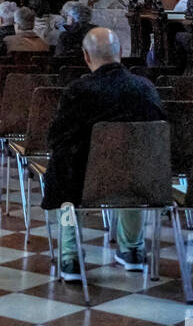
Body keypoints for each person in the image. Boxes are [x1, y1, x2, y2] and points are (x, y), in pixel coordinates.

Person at [42, 27, 165, 281]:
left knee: (63, 167)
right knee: (134, 163)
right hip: (143, 180)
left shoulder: (79, 91)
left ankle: (70, 256)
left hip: (83, 181)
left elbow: (56, 137)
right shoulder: (145, 88)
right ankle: (132, 249)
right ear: (120, 52)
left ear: (86, 56)